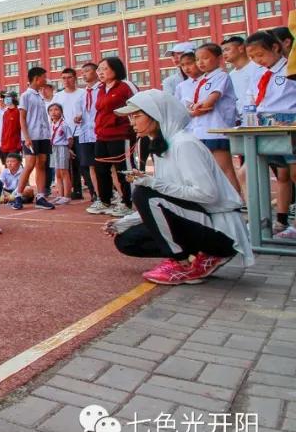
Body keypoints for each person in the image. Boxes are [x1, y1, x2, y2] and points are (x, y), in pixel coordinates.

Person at [106, 89, 252, 284]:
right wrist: (124, 222)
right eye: (131, 117)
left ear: (157, 115)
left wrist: (153, 183)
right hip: (200, 218)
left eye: (137, 116)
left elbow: (207, 194)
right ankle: (198, 256)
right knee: (126, 240)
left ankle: (181, 262)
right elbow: (165, 201)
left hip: (221, 229)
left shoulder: (184, 144)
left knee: (143, 193)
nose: (132, 123)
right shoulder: (163, 145)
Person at [244, 31, 296, 237]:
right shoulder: (259, 73)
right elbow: (253, 98)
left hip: (288, 124)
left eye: (260, 55)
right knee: (279, 174)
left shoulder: (290, 68)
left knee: (294, 173)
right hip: (264, 124)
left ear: (275, 48)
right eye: (252, 57)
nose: (258, 60)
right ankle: (278, 222)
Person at [184, 43, 241, 195]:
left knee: (224, 169)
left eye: (205, 58)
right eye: (197, 59)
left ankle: (236, 201)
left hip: (216, 130)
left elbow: (209, 102)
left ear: (219, 58)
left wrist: (196, 108)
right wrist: (194, 109)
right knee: (209, 171)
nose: (200, 62)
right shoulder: (202, 80)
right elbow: (192, 105)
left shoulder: (221, 76)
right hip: (200, 131)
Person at [92, 56, 136, 218]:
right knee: (101, 169)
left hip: (121, 134)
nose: (100, 72)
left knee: (123, 169)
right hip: (102, 135)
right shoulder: (101, 89)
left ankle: (128, 202)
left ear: (116, 70)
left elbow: (138, 105)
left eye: (105, 69)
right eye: (99, 69)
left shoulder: (125, 86)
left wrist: (135, 127)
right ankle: (105, 201)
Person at [14, 67, 56, 210]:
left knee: (41, 164)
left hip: (43, 136)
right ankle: (18, 195)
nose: (46, 80)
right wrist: (26, 137)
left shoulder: (40, 96)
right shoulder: (25, 96)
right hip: (31, 136)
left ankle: (40, 197)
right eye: (44, 77)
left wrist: (48, 135)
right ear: (37, 78)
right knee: (30, 164)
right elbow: (22, 118)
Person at [54, 68, 87, 200]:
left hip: (81, 132)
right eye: (64, 78)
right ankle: (75, 191)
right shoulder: (58, 96)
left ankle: (93, 191)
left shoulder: (83, 93)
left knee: (83, 163)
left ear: (75, 78)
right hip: (63, 136)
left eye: (69, 77)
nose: (66, 80)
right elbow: (53, 114)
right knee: (67, 165)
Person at [78, 64, 103, 209]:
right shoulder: (83, 94)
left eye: (87, 71)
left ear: (96, 72)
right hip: (85, 134)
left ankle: (116, 195)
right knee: (91, 166)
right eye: (83, 72)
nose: (84, 74)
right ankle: (99, 196)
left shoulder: (102, 90)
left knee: (107, 166)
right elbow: (82, 112)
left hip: (100, 134)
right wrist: (78, 117)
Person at [48, 102, 72, 205]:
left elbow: (70, 139)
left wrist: (68, 149)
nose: (53, 112)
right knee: (57, 173)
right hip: (53, 148)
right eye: (51, 110)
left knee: (64, 172)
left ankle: (67, 196)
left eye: (56, 109)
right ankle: (60, 195)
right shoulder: (51, 125)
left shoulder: (64, 125)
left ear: (61, 112)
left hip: (62, 147)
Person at [0, 92, 22, 162]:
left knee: (14, 165)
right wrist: (2, 144)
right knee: (7, 166)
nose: (5, 99)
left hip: (15, 146)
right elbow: (4, 130)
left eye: (7, 97)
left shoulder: (19, 112)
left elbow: (21, 128)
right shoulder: (5, 113)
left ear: (14, 99)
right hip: (4, 146)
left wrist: (19, 145)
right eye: (5, 98)